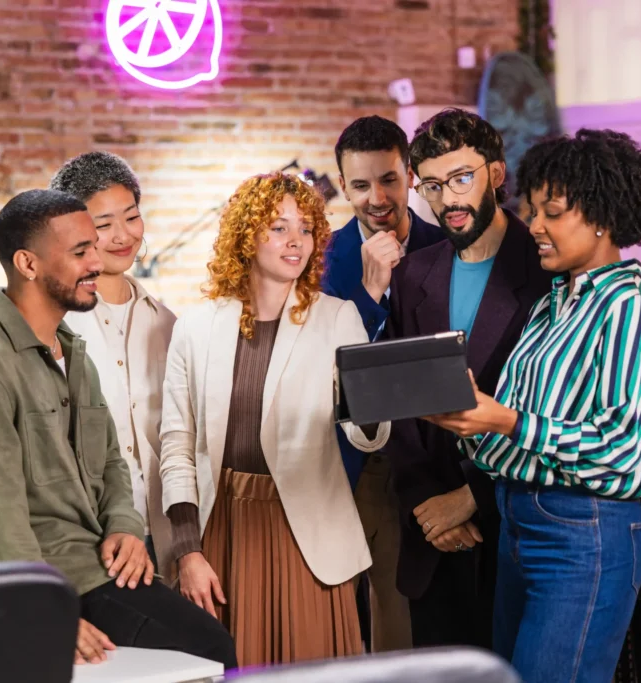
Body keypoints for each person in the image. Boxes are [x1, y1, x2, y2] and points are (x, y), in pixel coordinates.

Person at [0, 189, 236, 670]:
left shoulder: (73, 351)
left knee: (209, 639)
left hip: (103, 566)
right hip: (55, 580)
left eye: (93, 247)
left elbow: (112, 462)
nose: (98, 261)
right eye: (80, 252)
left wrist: (125, 526)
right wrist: (46, 612)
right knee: (209, 647)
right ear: (28, 264)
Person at [426, 129, 641, 682]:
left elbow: (626, 455)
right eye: (532, 209)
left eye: (553, 212)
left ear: (603, 217)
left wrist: (508, 420)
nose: (534, 225)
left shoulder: (627, 311)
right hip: (518, 528)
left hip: (585, 534)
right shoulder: (553, 305)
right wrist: (464, 415)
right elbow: (511, 436)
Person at [159, 172, 390, 667]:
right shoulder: (195, 328)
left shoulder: (337, 317)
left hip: (306, 532)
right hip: (220, 532)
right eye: (280, 227)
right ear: (246, 235)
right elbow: (177, 445)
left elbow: (363, 434)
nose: (296, 242)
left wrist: (373, 408)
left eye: (306, 229)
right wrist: (186, 550)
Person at [382, 108, 552, 649]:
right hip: (430, 535)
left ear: (496, 175)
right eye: (431, 186)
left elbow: (552, 411)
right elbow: (398, 398)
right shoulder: (414, 274)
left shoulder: (547, 270)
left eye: (461, 179)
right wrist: (428, 503)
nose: (447, 200)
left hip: (514, 527)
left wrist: (470, 496)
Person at [322, 115, 444, 652]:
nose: (376, 197)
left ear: (411, 175)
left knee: (414, 626)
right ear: (343, 185)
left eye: (389, 179)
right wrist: (371, 294)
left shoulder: (447, 247)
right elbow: (325, 370)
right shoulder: (320, 259)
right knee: (343, 627)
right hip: (352, 466)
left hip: (433, 463)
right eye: (361, 184)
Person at [50, 152, 178, 581]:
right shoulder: (55, 326)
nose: (123, 236)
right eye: (103, 225)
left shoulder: (166, 323)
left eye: (132, 217)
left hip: (167, 535)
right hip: (91, 543)